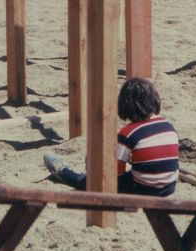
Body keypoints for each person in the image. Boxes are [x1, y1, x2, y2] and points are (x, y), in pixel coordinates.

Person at [44, 77, 179, 197]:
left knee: (92, 182)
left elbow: (115, 174)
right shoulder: (168, 125)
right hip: (169, 187)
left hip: (144, 190)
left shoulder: (128, 133)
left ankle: (63, 172)